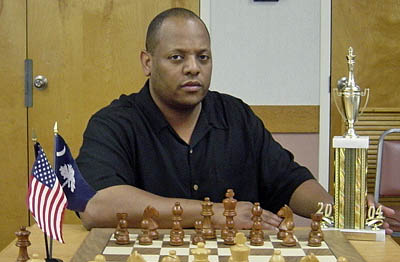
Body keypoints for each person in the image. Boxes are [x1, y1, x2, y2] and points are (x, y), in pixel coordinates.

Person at [76, 8, 398, 234]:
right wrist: (214, 213)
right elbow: (95, 206)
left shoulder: (236, 116)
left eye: (203, 57)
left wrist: (338, 210)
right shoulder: (115, 123)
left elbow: (289, 180)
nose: (193, 68)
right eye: (177, 57)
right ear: (147, 62)